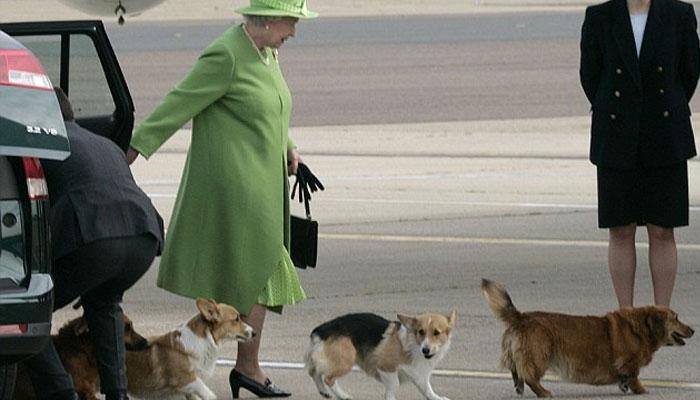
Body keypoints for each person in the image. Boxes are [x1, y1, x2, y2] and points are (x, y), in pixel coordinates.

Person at [125, 0, 318, 397]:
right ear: (266, 20)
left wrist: (289, 147)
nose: (294, 32)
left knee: (256, 278)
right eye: (290, 22)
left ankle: (247, 367)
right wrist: (126, 154)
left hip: (265, 184)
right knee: (263, 273)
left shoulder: (266, 54)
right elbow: (177, 104)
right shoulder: (226, 54)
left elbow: (273, 109)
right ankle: (246, 367)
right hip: (236, 188)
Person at [22, 88, 164, 400]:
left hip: (93, 239)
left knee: (26, 313)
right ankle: (118, 394)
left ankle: (62, 392)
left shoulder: (38, 143)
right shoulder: (104, 144)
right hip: (143, 237)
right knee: (104, 304)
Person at [580, 0, 700, 307]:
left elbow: (689, 73)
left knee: (663, 229)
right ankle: (625, 316)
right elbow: (591, 76)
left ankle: (662, 316)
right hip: (616, 134)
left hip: (665, 134)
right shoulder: (599, 17)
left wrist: (662, 108)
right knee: (620, 229)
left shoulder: (680, 14)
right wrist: (621, 109)